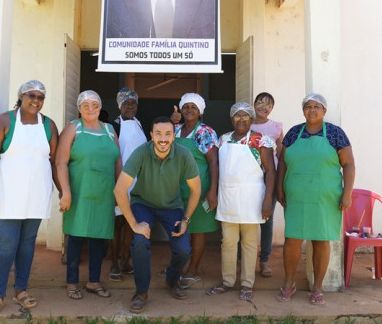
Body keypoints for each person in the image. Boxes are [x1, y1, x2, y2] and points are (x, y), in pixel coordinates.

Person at [0, 80, 59, 317]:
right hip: (8, 192)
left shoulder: (48, 125)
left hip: (36, 193)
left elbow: (54, 161)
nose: (36, 100)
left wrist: (62, 190)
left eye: (40, 97)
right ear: (21, 96)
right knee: (6, 243)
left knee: (27, 244)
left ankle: (21, 289)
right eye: (31, 95)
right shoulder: (5, 121)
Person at [113, 116, 201, 314]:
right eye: (158, 134)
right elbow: (120, 190)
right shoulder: (141, 153)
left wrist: (186, 220)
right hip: (143, 203)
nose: (163, 138)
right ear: (151, 135)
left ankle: (172, 280)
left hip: (172, 207)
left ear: (173, 136)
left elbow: (196, 190)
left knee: (184, 249)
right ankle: (141, 292)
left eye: (168, 134)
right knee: (140, 241)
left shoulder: (183, 154)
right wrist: (134, 224)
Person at [275, 93, 356, 306]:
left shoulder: (336, 134)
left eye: (317, 106)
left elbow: (348, 164)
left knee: (321, 240)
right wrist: (279, 188)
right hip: (297, 195)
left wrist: (347, 193)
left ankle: (318, 286)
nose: (312, 110)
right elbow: (282, 163)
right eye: (308, 106)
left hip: (325, 197)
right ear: (303, 111)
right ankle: (289, 282)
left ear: (324, 110)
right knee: (292, 239)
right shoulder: (293, 133)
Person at [55, 90, 122, 300]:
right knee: (75, 236)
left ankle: (94, 281)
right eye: (85, 105)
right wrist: (65, 191)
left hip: (104, 192)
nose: (90, 109)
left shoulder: (110, 130)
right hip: (79, 191)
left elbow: (118, 162)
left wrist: (120, 191)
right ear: (79, 108)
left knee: (98, 238)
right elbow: (61, 162)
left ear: (100, 107)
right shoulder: (73, 128)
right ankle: (72, 282)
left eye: (94, 104)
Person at [207, 102, 275, 301]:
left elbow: (271, 171)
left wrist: (268, 199)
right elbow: (217, 168)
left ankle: (247, 284)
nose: (242, 120)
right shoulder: (223, 139)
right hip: (228, 197)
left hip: (252, 199)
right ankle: (227, 281)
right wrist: (213, 192)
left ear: (252, 119)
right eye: (237, 116)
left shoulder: (261, 140)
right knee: (227, 242)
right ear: (231, 119)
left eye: (246, 116)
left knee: (249, 243)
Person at [172, 93, 219, 289]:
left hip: (200, 189)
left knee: (198, 230)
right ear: (181, 110)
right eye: (186, 107)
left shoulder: (205, 132)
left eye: (194, 107)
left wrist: (212, 191)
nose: (189, 110)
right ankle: (179, 266)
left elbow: (214, 161)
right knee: (178, 229)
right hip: (176, 189)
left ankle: (193, 269)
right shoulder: (175, 130)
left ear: (200, 111)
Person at [108, 87, 147, 281]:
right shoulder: (113, 126)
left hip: (138, 183)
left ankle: (126, 260)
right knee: (117, 223)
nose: (130, 106)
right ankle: (114, 264)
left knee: (133, 223)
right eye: (126, 103)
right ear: (119, 105)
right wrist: (116, 182)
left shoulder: (140, 124)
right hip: (120, 180)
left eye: (133, 103)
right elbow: (111, 155)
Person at [250, 92, 284, 278]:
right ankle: (243, 258)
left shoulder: (276, 127)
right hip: (249, 178)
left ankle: (264, 260)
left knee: (266, 219)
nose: (263, 107)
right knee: (246, 217)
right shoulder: (247, 124)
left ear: (272, 109)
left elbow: (281, 154)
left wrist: (280, 181)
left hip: (269, 177)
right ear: (254, 105)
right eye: (260, 103)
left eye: (268, 105)